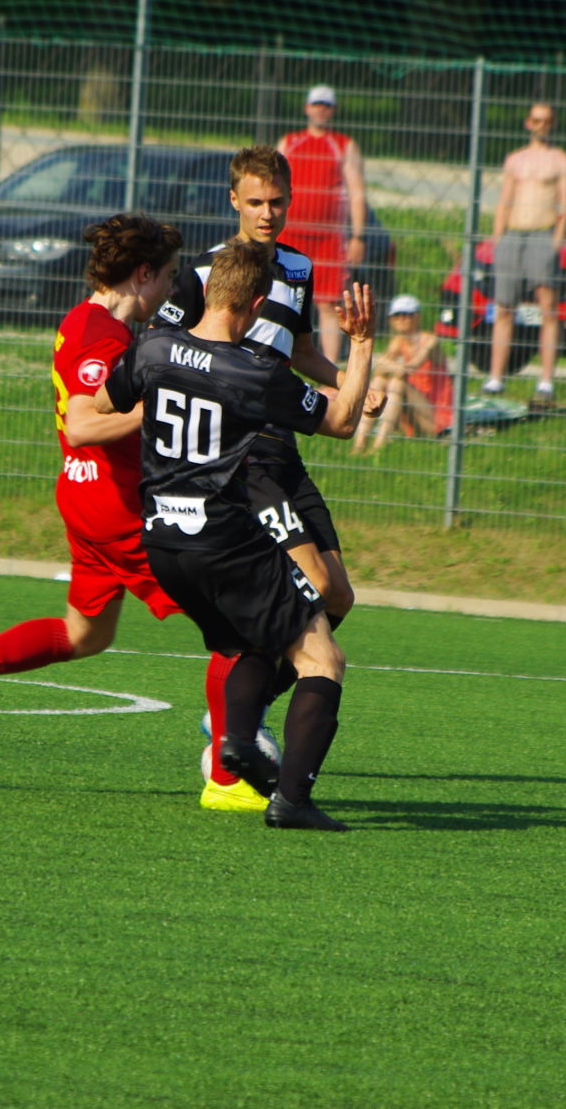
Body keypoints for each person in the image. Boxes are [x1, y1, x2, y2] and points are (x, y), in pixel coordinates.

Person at [99, 241, 376, 831]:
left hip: (164, 542)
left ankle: (237, 742)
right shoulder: (254, 372)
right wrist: (362, 344)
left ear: (206, 291)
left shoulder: (151, 347)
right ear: (254, 305)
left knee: (255, 641)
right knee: (323, 658)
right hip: (224, 539)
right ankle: (293, 802)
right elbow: (343, 419)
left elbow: (104, 402)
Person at [0, 215, 194, 740]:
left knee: (84, 635)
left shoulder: (84, 320)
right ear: (143, 273)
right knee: (237, 621)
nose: (171, 288)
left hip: (84, 498)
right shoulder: (102, 335)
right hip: (119, 509)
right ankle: (228, 770)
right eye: (169, 275)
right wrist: (159, 407)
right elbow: (82, 426)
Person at [153, 146, 378, 806]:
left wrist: (350, 382)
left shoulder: (299, 269)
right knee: (310, 591)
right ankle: (239, 725)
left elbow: (301, 351)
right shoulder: (203, 273)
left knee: (339, 596)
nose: (267, 213)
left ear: (290, 201)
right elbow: (169, 353)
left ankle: (245, 714)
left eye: (277, 201)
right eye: (254, 202)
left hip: (286, 446)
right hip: (244, 456)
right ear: (234, 201)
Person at [484, 102, 566, 407]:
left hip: (542, 234)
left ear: (553, 124)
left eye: (546, 120)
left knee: (548, 308)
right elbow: (505, 200)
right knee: (504, 307)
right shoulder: (515, 159)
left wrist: (556, 242)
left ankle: (546, 380)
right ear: (528, 123)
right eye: (537, 120)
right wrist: (498, 238)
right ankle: (496, 378)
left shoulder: (560, 160)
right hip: (513, 234)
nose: (541, 125)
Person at [278, 85, 369, 365]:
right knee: (282, 295)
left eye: (326, 105)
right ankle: (278, 358)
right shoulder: (290, 142)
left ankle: (328, 369)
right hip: (291, 233)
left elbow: (357, 192)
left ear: (333, 110)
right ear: (307, 107)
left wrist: (357, 236)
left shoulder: (343, 145)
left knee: (329, 303)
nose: (321, 109)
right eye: (316, 104)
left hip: (329, 237)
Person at [352, 293, 443, 454]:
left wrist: (388, 365)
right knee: (379, 380)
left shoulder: (430, 341)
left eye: (406, 315)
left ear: (417, 317)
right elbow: (379, 369)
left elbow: (410, 368)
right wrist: (389, 366)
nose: (401, 319)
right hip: (413, 411)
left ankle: (379, 445)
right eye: (396, 315)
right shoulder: (398, 341)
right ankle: (359, 444)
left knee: (397, 383)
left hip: (435, 416)